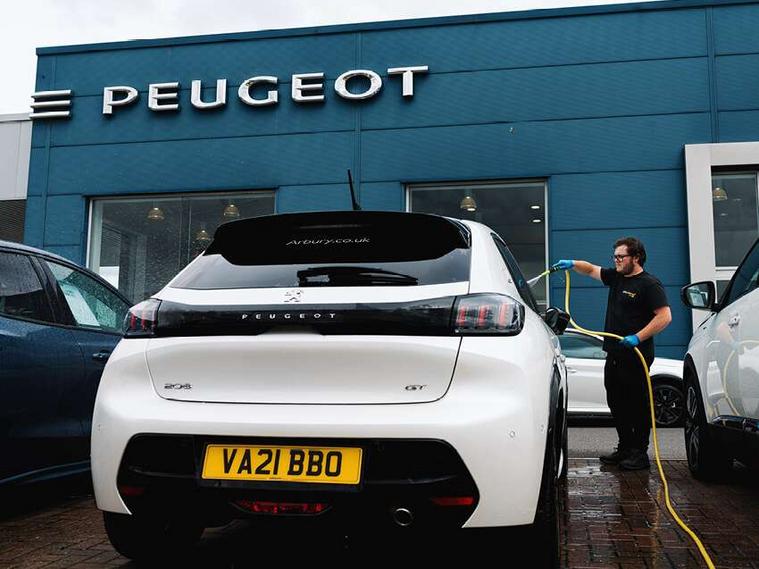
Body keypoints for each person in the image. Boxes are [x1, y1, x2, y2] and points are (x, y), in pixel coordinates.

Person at [552, 237, 672, 470]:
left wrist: (638, 337)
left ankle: (639, 453)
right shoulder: (617, 277)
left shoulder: (649, 284)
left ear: (636, 257)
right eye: (614, 257)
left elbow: (664, 316)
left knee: (636, 404)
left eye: (620, 257)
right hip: (614, 354)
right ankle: (625, 447)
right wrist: (572, 264)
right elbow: (590, 269)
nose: (616, 261)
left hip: (636, 355)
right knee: (616, 403)